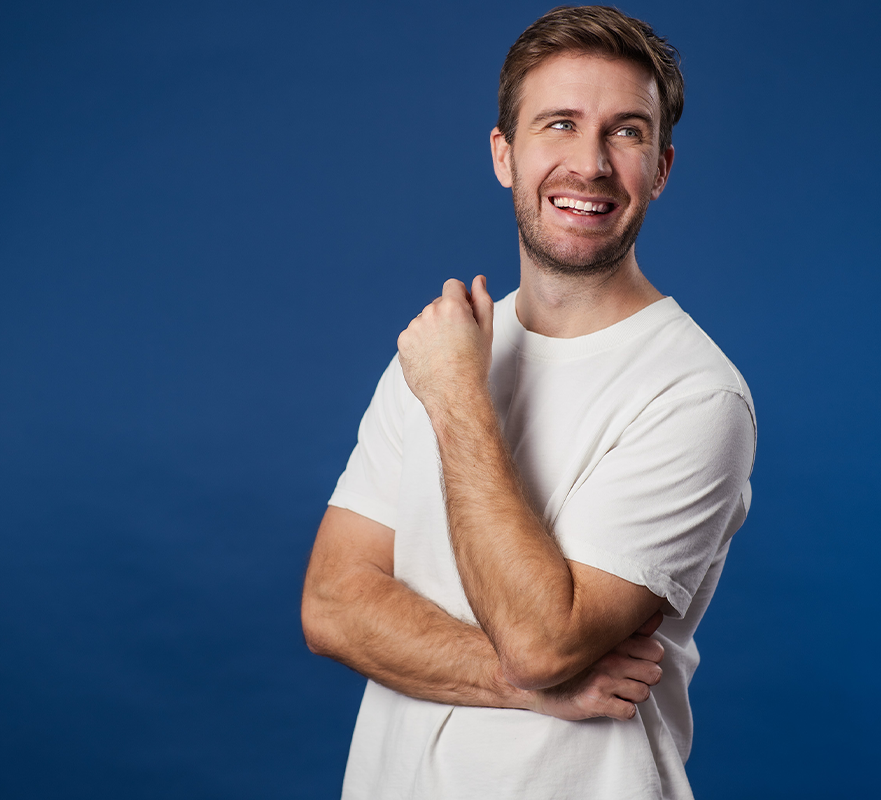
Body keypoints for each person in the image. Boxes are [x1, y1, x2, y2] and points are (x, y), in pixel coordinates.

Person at [300, 6, 756, 798]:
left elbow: (543, 642)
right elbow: (333, 605)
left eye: (626, 132)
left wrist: (455, 398)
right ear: (504, 155)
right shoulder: (442, 346)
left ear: (663, 167)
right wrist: (517, 684)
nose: (590, 164)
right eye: (559, 124)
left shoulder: (695, 394)